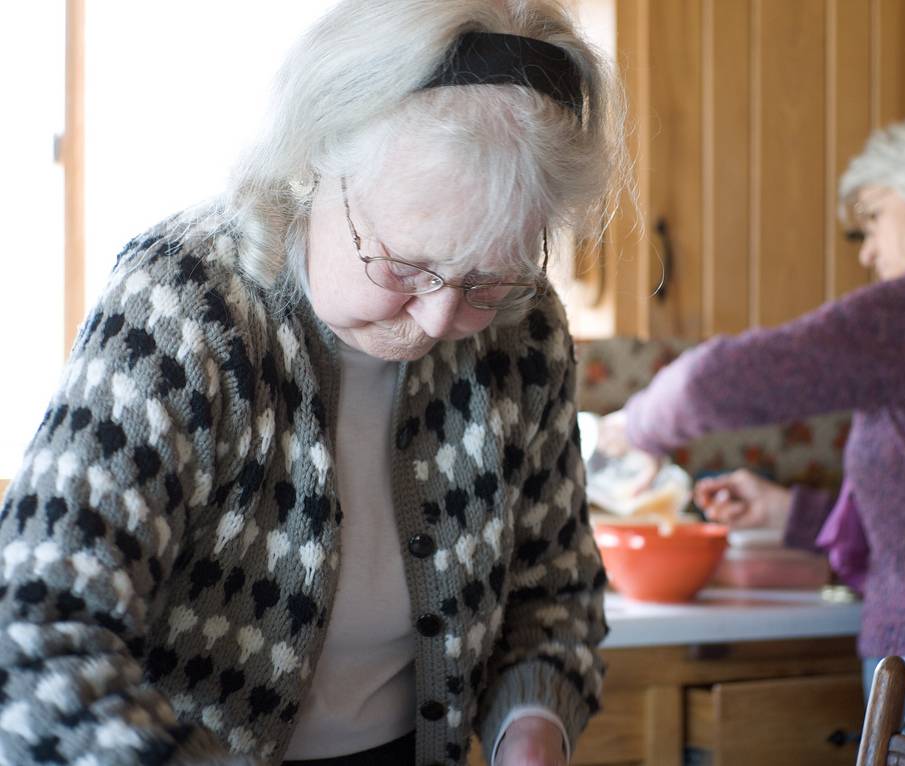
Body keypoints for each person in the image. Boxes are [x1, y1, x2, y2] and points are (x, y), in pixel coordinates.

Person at [0, 2, 628, 764]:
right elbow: (36, 630)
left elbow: (553, 596)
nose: (437, 320)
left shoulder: (523, 333)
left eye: (488, 280)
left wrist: (531, 728)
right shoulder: (186, 305)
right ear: (314, 165)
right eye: (403, 266)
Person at [600, 109, 905, 759]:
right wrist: (785, 511)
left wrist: (635, 425)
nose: (868, 249)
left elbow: (729, 377)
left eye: (876, 216)